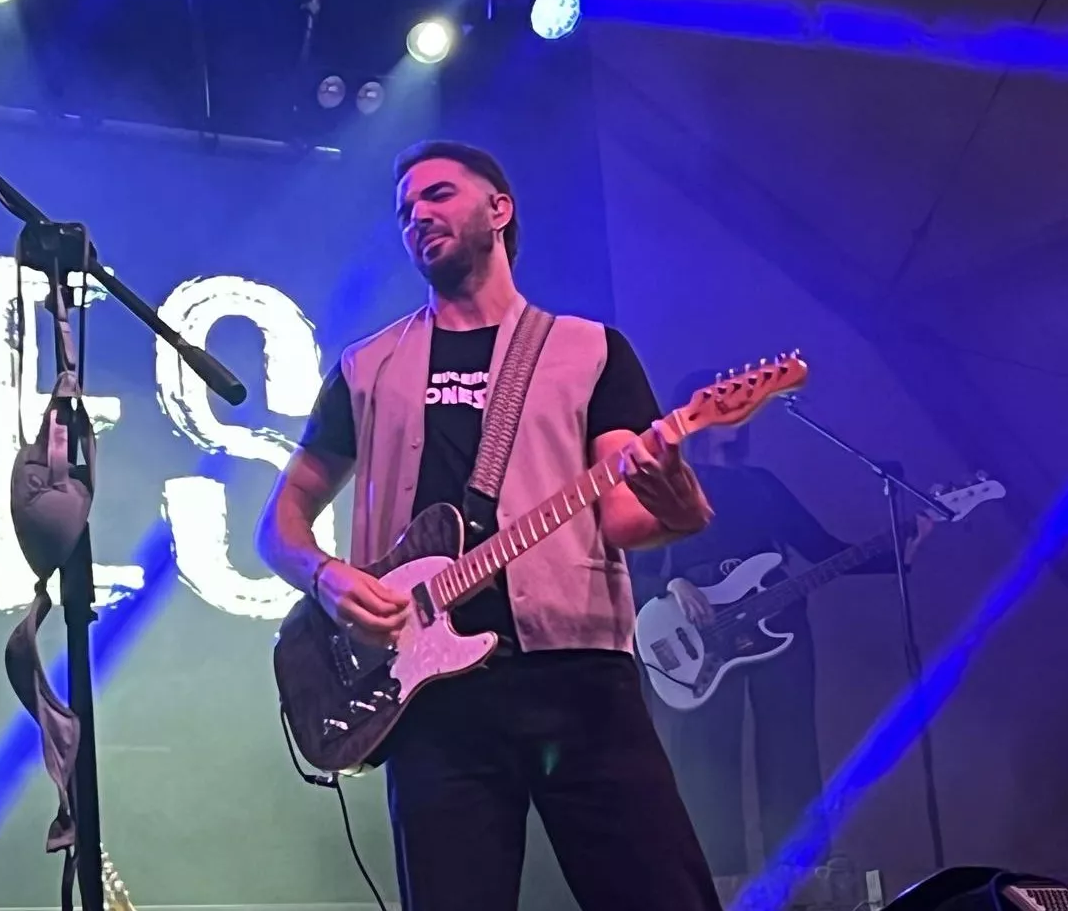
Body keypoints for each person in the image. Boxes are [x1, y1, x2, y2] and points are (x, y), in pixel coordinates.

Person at [256, 140, 724, 911]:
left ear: (498, 210)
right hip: (427, 698)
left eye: (437, 195)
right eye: (405, 210)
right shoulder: (366, 366)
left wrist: (671, 485)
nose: (417, 217)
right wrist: (327, 576)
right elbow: (281, 524)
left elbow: (625, 517)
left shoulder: (590, 350)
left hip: (578, 676)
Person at [627, 371, 932, 885]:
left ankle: (798, 872)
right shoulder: (665, 482)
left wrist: (905, 543)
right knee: (707, 751)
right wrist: (670, 584)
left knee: (791, 745)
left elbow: (821, 551)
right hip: (695, 631)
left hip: (780, 624)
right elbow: (624, 557)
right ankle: (714, 874)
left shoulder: (761, 484)